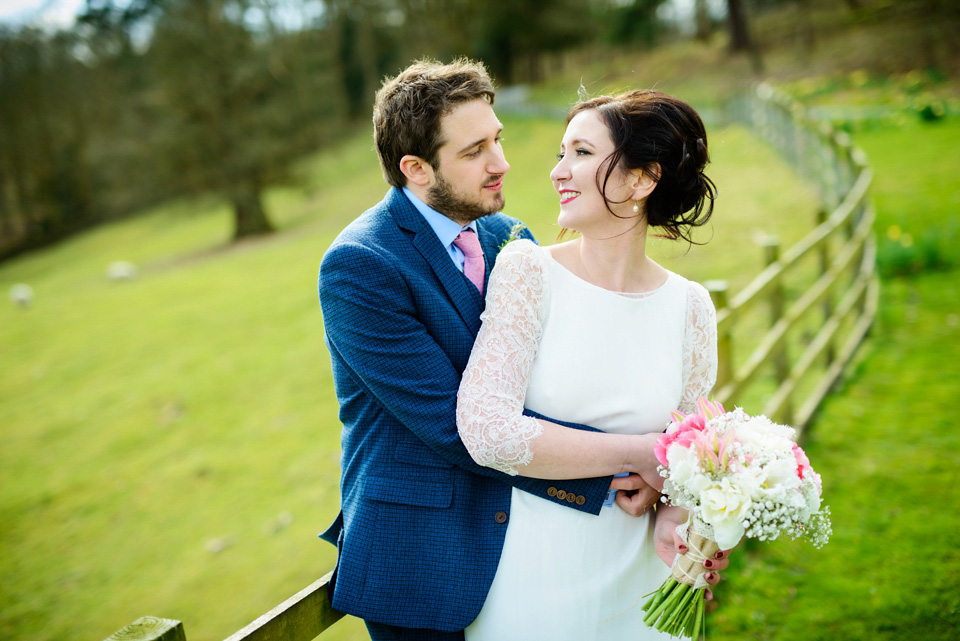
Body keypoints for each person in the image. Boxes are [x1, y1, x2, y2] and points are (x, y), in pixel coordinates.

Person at [317, 59, 670, 641]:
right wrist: (627, 463)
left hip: (528, 541)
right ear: (416, 169)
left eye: (498, 139)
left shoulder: (509, 235)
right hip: (422, 558)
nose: (501, 163)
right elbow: (457, 425)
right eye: (475, 150)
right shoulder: (361, 266)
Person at [456, 89, 722, 640]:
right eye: (561, 152)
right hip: (537, 579)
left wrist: (676, 520)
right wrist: (643, 453)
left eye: (580, 152)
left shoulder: (690, 306)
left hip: (643, 585)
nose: (558, 171)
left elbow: (686, 453)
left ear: (641, 180)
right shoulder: (528, 272)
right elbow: (487, 431)